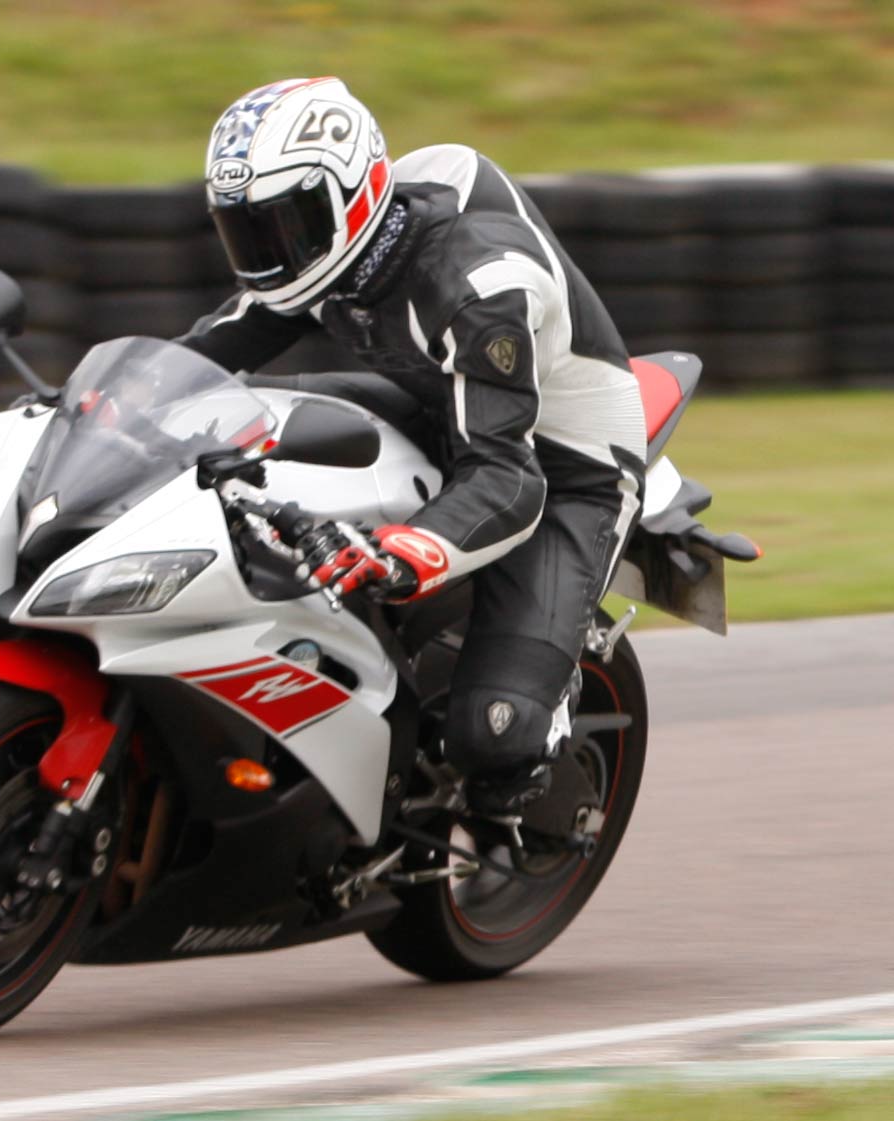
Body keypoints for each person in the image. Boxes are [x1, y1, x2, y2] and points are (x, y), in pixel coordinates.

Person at [180, 76, 651, 854]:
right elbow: (218, 345)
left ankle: (547, 703)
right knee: (229, 427)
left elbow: (509, 478)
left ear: (353, 198)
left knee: (494, 740)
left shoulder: (475, 286)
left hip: (561, 459)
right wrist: (100, 399)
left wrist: (409, 550)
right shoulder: (321, 252)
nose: (268, 255)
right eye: (248, 232)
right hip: (432, 392)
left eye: (285, 227)